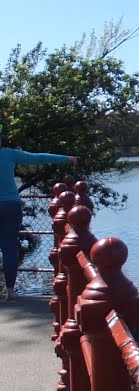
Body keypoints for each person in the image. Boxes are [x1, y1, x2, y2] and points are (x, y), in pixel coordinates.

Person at [0, 125, 77, 302]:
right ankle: (10, 291)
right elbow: (39, 158)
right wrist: (67, 158)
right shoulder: (10, 154)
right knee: (10, 248)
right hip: (11, 205)